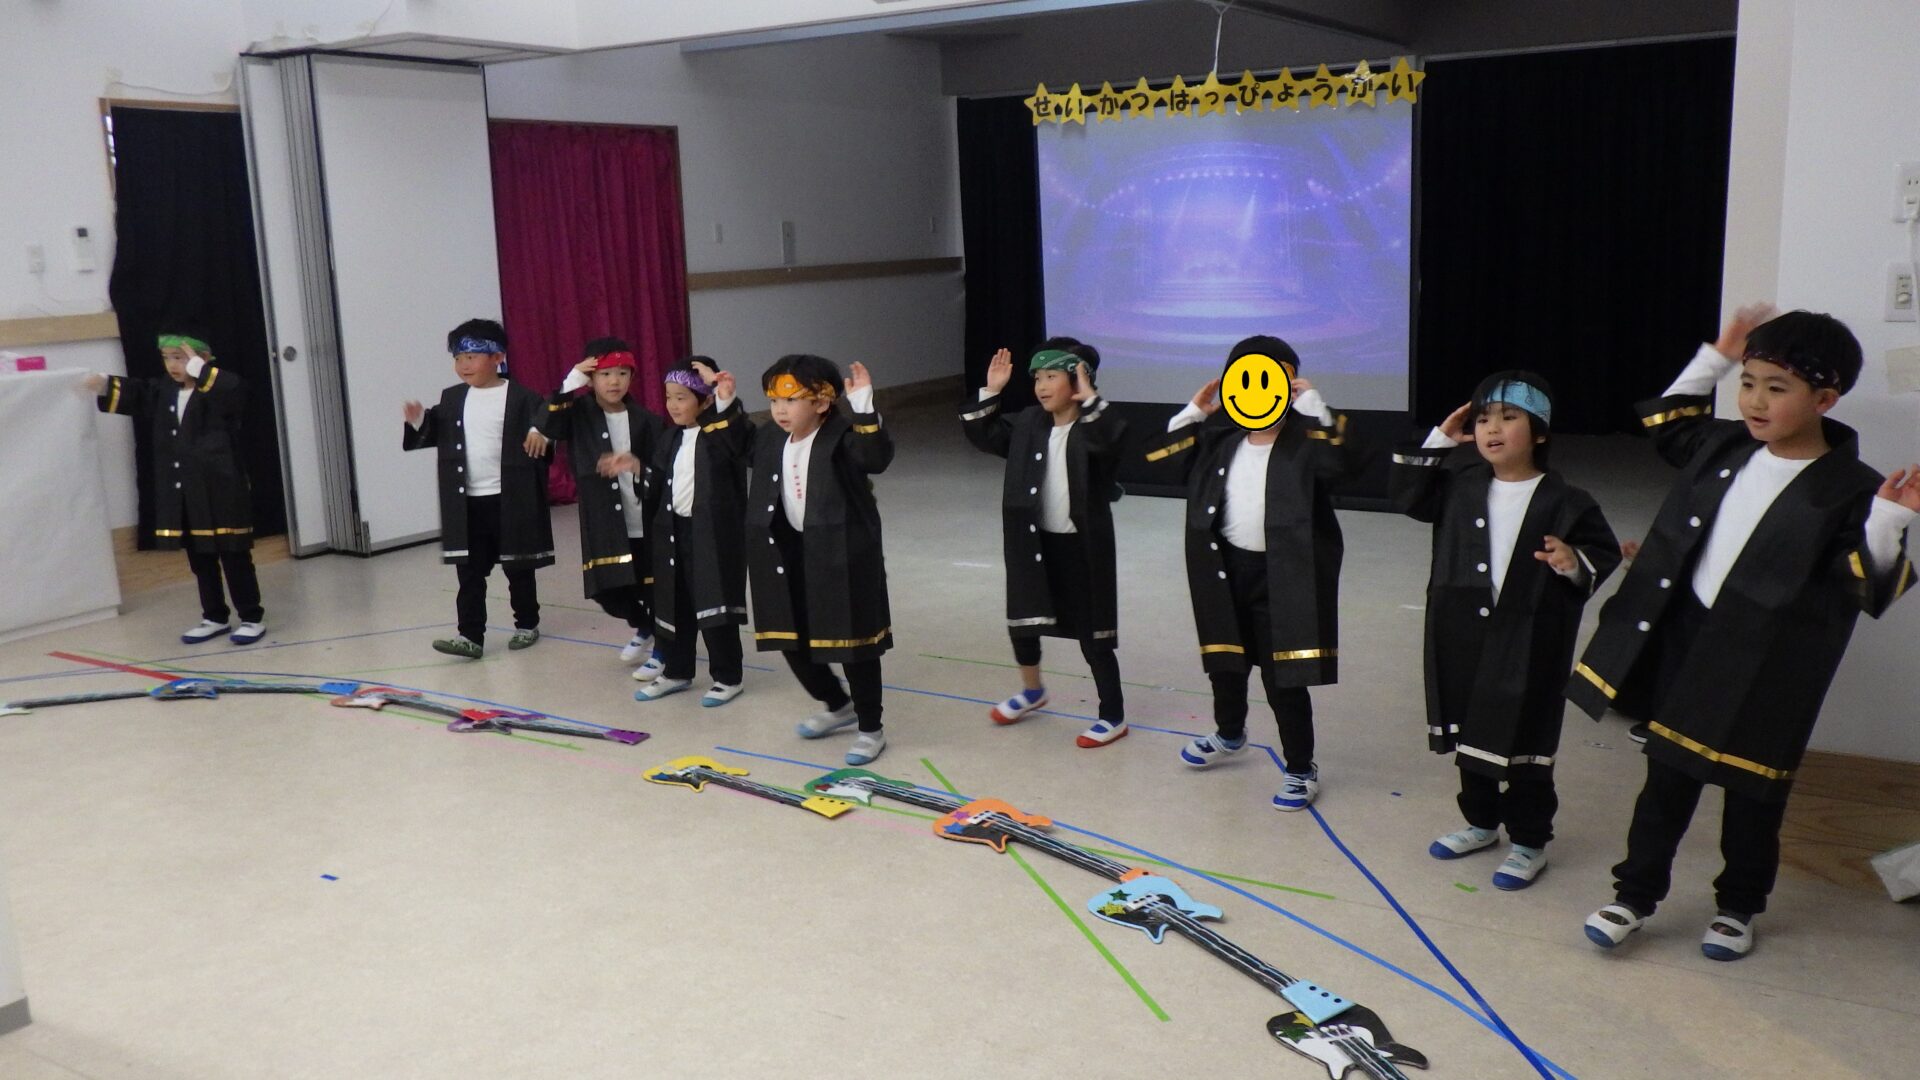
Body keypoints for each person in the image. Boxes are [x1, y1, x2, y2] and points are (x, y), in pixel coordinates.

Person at [1571, 305, 1918, 960]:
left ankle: (1738, 907)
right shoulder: (1724, 446)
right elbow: (1668, 420)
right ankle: (1634, 895)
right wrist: (1719, 355)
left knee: (1754, 796)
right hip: (1688, 642)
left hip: (1770, 669)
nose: (1755, 400)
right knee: (1665, 783)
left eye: (1776, 388)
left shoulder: (1850, 488)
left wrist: (1889, 521)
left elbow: (1868, 587)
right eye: (1748, 382)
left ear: (1825, 399)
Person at [1391, 371, 1619, 889]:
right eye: (1483, 419)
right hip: (1461, 631)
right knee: (1471, 730)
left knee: (1525, 742)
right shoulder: (1461, 485)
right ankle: (1479, 822)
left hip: (1530, 639)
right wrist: (1439, 439)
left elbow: (1599, 553)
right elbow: (1407, 496)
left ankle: (1529, 841)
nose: (1492, 429)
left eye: (1509, 417)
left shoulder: (1567, 499)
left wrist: (1572, 562)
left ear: (1539, 432)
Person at [1139, 334, 1359, 811]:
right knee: (1226, 661)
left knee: (1285, 678)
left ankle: (1300, 766)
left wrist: (1313, 407)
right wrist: (1194, 413)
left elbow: (1342, 464)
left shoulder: (1309, 441)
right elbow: (1159, 460)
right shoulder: (1219, 439)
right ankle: (1230, 732)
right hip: (1225, 570)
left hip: (1285, 577)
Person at [961, 338, 1131, 747]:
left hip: (1080, 548)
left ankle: (1113, 715)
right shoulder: (1028, 423)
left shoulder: (1094, 426)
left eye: (1052, 376)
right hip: (1033, 542)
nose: (1041, 386)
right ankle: (1033, 690)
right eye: (1037, 377)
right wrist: (992, 391)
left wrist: (1090, 399)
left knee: (1093, 635)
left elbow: (1113, 440)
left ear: (1078, 380)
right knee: (1024, 622)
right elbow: (984, 434)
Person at [745, 355, 896, 766]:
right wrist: (721, 402)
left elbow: (876, 457)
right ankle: (837, 704)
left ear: (822, 403)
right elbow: (736, 444)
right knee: (789, 634)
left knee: (853, 644)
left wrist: (863, 405)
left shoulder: (844, 438)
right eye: (774, 400)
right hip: (788, 552)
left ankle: (870, 728)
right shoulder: (771, 437)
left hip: (841, 556)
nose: (780, 410)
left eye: (791, 400)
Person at [87, 332, 266, 645]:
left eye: (179, 358)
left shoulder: (219, 388)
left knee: (234, 555)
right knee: (201, 559)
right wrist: (103, 383)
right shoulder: (164, 391)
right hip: (188, 494)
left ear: (202, 358)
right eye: (167, 358)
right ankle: (214, 616)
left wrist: (200, 371)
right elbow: (138, 392)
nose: (172, 365)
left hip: (222, 489)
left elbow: (234, 391)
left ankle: (251, 617)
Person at [402, 318, 554, 658]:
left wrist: (543, 436)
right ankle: (470, 635)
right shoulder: (453, 398)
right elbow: (434, 432)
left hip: (510, 498)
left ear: (498, 357)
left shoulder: (523, 398)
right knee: (469, 571)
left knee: (518, 566)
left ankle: (527, 623)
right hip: (467, 501)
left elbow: (546, 431)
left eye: (471, 356)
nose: (463, 365)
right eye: (458, 358)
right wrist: (418, 420)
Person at [624, 359, 750, 706]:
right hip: (674, 531)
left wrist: (724, 394)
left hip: (712, 534)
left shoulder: (722, 436)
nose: (673, 405)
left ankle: (728, 677)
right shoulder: (671, 437)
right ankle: (676, 671)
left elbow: (741, 438)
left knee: (714, 603)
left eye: (682, 397)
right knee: (674, 602)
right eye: (669, 397)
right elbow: (656, 485)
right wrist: (637, 468)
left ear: (705, 400)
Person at [547, 338, 668, 667]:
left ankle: (663, 650)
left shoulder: (647, 420)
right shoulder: (576, 414)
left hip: (643, 518)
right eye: (605, 374)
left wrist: (637, 467)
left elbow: (661, 471)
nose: (615, 381)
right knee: (607, 589)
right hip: (603, 522)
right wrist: (570, 382)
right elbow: (548, 425)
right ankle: (645, 626)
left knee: (652, 588)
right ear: (590, 379)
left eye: (622, 373)